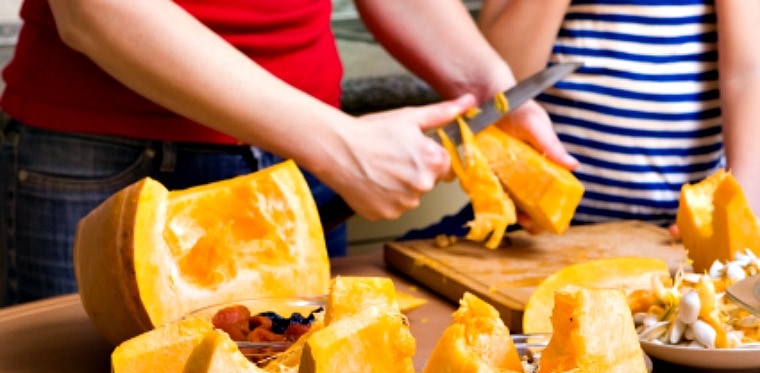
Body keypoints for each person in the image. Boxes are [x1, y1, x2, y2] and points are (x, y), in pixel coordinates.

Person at [0, 0, 576, 306]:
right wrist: (336, 144)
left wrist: (492, 89)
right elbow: (92, 9)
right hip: (100, 158)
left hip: (299, 163)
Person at [404, 0, 760, 240]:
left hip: (676, 231)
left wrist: (742, 205)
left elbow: (748, 76)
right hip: (535, 232)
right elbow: (499, 84)